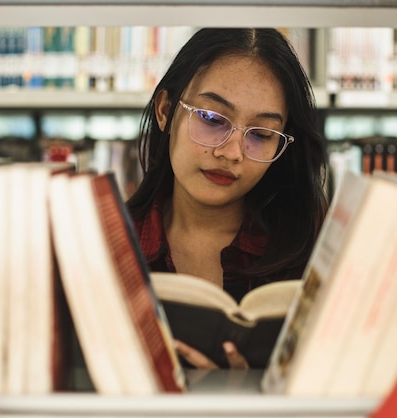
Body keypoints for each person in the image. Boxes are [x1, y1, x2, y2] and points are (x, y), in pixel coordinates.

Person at [126, 28, 329, 369]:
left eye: (262, 134)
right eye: (212, 118)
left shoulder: (317, 247)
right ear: (164, 111)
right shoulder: (110, 243)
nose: (232, 152)